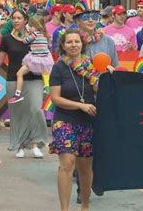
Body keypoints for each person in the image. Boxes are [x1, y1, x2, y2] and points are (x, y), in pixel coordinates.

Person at [49, 29, 111, 211]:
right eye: (69, 42)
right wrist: (80, 106)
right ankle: (64, 208)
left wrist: (109, 77)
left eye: (77, 41)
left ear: (82, 45)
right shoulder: (59, 67)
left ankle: (85, 205)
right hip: (65, 120)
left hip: (88, 122)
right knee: (67, 163)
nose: (73, 45)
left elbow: (104, 93)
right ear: (63, 46)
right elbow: (55, 98)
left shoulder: (93, 67)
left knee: (85, 167)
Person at [0, 9, 47, 158]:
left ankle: (36, 143)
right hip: (13, 79)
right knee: (18, 114)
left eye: (19, 18)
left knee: (35, 109)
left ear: (25, 20)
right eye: (14, 18)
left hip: (34, 78)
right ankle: (21, 145)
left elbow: (44, 51)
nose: (16, 20)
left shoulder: (34, 36)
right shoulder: (6, 39)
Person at [9, 15, 54, 104]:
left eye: (31, 26)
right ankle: (47, 87)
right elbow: (49, 45)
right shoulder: (45, 35)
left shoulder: (35, 34)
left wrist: (27, 35)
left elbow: (25, 41)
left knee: (19, 74)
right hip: (45, 59)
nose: (29, 28)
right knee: (45, 72)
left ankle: (17, 94)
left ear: (36, 26)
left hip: (35, 59)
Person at [73, 0, 118, 66]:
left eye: (94, 16)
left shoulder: (108, 41)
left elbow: (115, 67)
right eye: (86, 17)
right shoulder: (71, 42)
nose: (91, 20)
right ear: (77, 20)